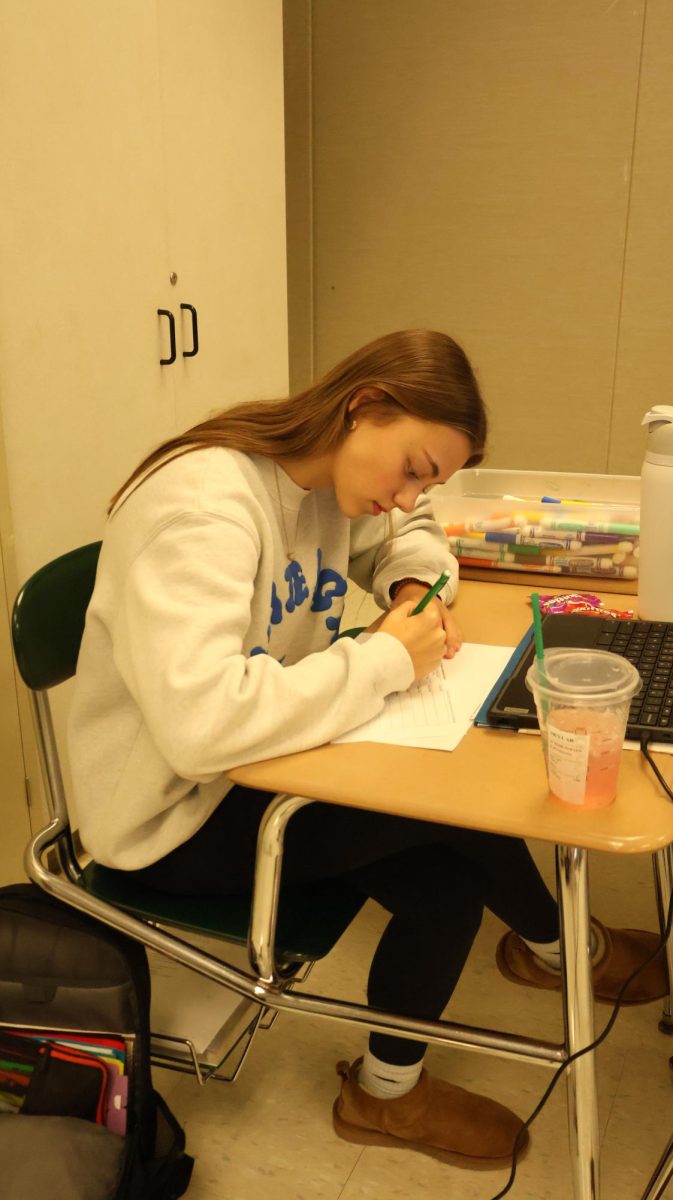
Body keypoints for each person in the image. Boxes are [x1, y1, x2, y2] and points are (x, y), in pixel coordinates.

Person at [69, 329, 667, 1170]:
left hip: (260, 761)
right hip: (170, 811)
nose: (410, 493)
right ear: (366, 405)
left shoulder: (319, 480)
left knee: (449, 860)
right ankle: (542, 964)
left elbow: (408, 533)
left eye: (432, 479)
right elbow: (198, 724)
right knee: (460, 829)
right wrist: (385, 659)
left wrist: (416, 589)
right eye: (414, 466)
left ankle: (422, 1063)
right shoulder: (204, 507)